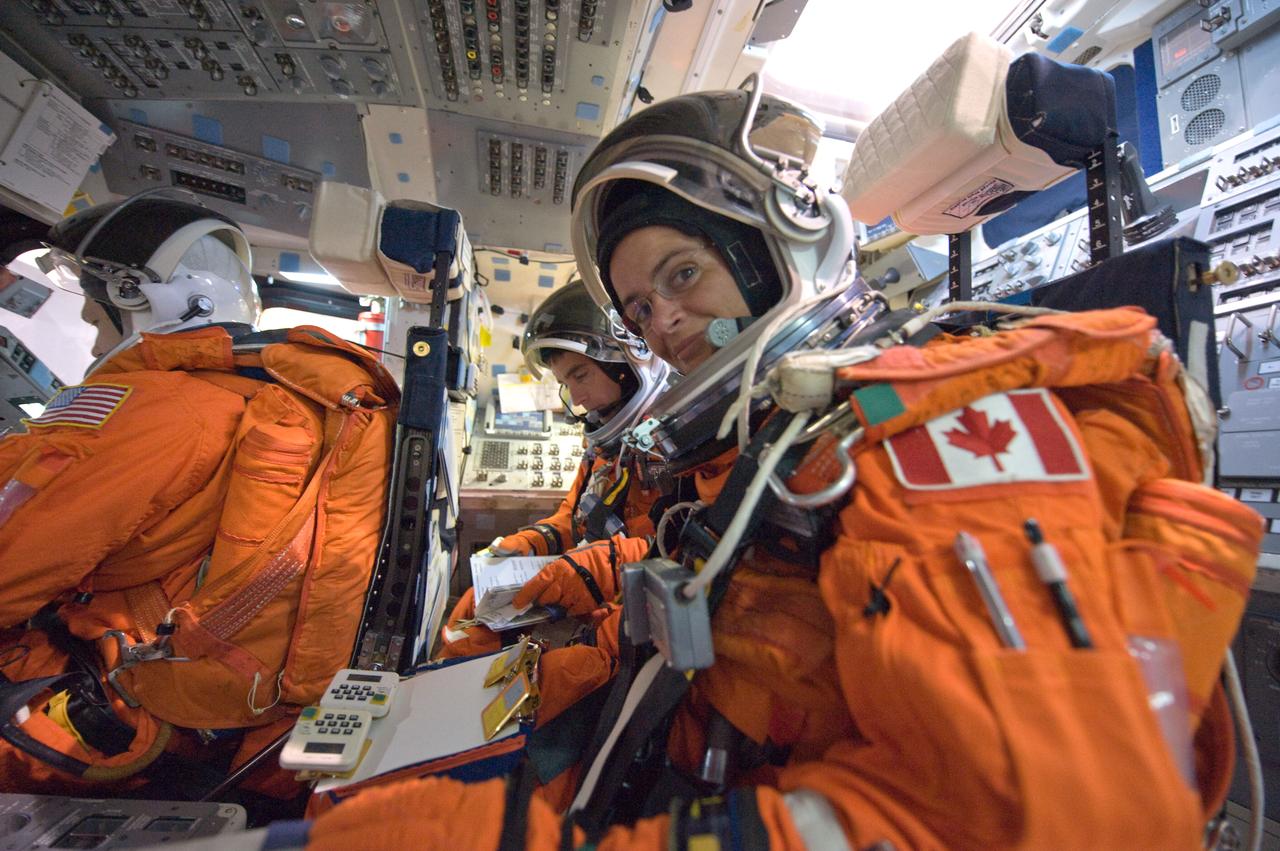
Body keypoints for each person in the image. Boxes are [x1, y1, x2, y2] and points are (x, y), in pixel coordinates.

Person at [304, 84, 1259, 850]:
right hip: (669, 761)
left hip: (708, 797)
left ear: (780, 254)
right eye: (638, 309)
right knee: (337, 788)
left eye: (683, 274)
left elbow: (1055, 817)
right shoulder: (770, 450)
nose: (662, 321)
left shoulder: (938, 441)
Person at [0, 190, 398, 795]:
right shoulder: (256, 393)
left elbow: (11, 561)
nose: (86, 322)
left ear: (139, 299)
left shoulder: (155, 410)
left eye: (92, 302)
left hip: (122, 699)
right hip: (225, 705)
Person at [437, 280, 669, 658]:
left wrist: (605, 567)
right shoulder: (605, 447)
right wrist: (533, 542)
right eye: (565, 382)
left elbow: (684, 551)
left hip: (635, 612)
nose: (575, 397)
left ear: (626, 362)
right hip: (594, 592)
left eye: (581, 375)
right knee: (472, 610)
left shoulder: (679, 447)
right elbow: (577, 517)